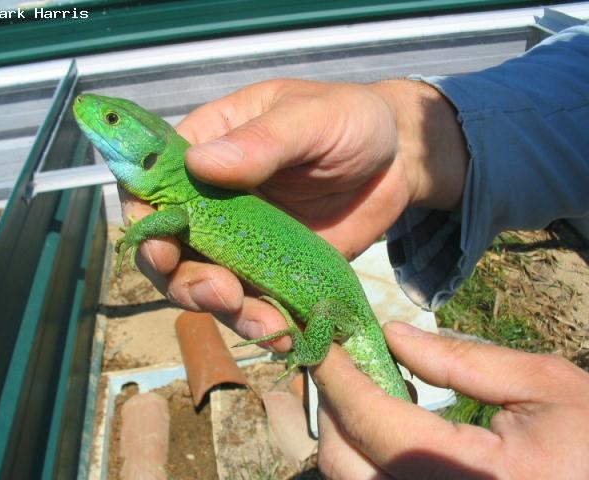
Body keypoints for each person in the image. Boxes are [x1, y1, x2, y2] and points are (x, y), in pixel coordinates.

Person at [121, 26, 589, 478]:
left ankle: (308, 348)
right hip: (339, 302)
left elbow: (174, 221)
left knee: (319, 338)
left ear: (148, 156)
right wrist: (404, 136)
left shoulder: (179, 200)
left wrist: (138, 234)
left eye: (114, 121)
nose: (94, 115)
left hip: (340, 311)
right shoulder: (181, 192)